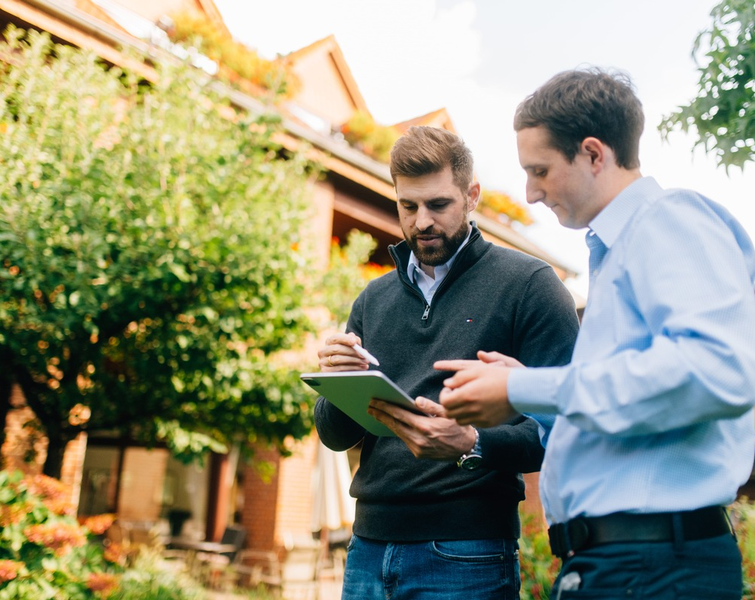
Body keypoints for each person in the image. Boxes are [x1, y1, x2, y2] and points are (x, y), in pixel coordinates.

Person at [437, 68, 755, 599]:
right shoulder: (620, 248)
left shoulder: (666, 220)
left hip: (653, 566)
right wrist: (533, 389)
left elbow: (714, 371)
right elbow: (631, 406)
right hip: (626, 564)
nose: (531, 193)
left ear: (593, 153)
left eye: (540, 170)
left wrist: (524, 390)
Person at [315, 125, 579, 600]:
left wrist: (472, 443)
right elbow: (336, 437)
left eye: (438, 205)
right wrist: (340, 380)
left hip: (468, 551)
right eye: (407, 206)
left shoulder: (530, 286)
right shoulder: (372, 299)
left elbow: (565, 425)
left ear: (471, 195)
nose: (421, 223)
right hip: (368, 548)